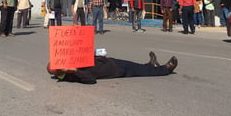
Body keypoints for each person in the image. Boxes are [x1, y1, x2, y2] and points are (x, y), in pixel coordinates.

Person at [47, 51, 178, 84]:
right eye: (57, 66)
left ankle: (150, 65)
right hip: (113, 70)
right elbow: (90, 79)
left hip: (109, 61)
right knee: (139, 71)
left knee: (136, 66)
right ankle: (165, 69)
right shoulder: (71, 76)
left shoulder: (69, 61)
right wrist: (72, 70)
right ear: (58, 72)